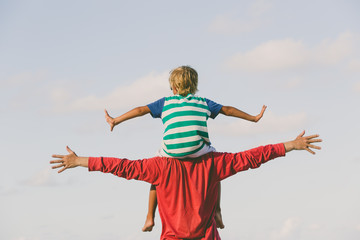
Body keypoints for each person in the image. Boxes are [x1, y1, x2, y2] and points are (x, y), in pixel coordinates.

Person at [50, 131, 321, 240]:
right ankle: (218, 213)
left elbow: (121, 166)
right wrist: (290, 146)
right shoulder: (214, 163)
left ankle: (217, 213)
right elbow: (250, 157)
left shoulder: (159, 166)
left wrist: (79, 161)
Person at [104, 66, 267, 231]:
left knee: (155, 176)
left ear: (173, 87)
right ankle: (217, 211)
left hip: (170, 153)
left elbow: (140, 110)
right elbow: (228, 110)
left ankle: (149, 218)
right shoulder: (203, 102)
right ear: (194, 85)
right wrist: (253, 118)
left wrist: (116, 120)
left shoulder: (165, 102)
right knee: (215, 172)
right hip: (199, 151)